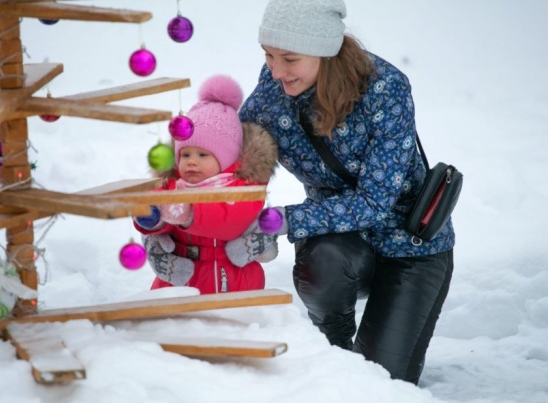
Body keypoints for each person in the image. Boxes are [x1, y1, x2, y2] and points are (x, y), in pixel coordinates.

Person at [237, 0, 455, 385]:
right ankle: (334, 350)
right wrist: (183, 191)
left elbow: (374, 203)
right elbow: (232, 151)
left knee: (382, 383)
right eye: (268, 55)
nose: (276, 70)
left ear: (325, 50)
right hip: (339, 245)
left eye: (289, 58)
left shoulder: (385, 88)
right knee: (325, 269)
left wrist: (278, 221)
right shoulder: (274, 91)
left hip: (412, 247)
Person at [134, 75, 279, 294]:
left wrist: (186, 212)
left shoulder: (244, 189)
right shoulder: (172, 186)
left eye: (203, 154)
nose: (192, 161)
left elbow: (230, 222)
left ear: (227, 159)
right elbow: (157, 215)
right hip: (180, 283)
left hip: (232, 283)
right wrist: (150, 218)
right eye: (185, 154)